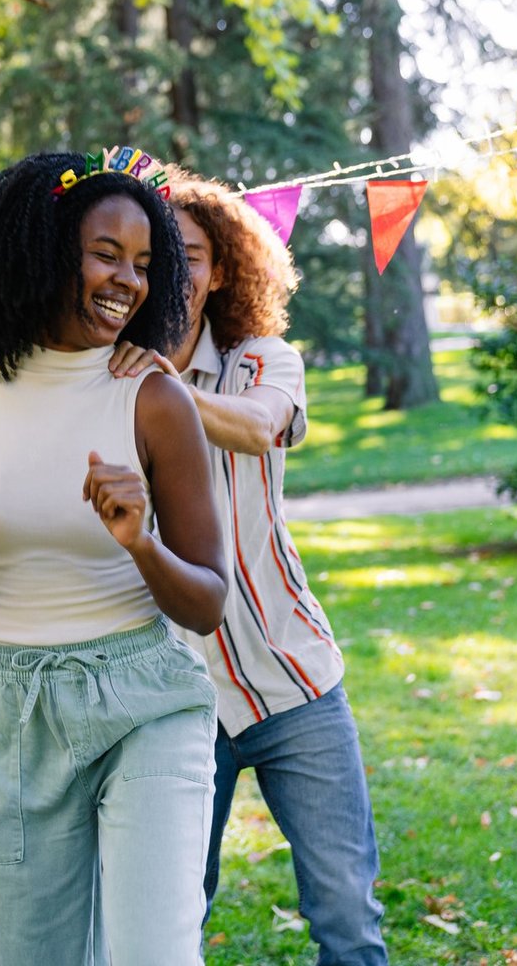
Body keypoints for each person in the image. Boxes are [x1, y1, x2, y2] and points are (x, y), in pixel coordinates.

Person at [0, 148, 230, 965]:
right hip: (10, 706)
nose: (129, 281)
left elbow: (206, 601)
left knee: (151, 953)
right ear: (42, 250)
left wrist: (139, 542)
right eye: (105, 254)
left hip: (143, 698)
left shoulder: (151, 396)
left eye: (145, 264)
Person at [149, 170, 388, 964]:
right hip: (174, 698)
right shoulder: (94, 376)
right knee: (170, 917)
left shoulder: (262, 359)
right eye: (158, 255)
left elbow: (255, 427)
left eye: (191, 255)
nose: (175, 273)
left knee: (346, 917)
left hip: (294, 679)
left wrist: (152, 384)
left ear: (220, 270)